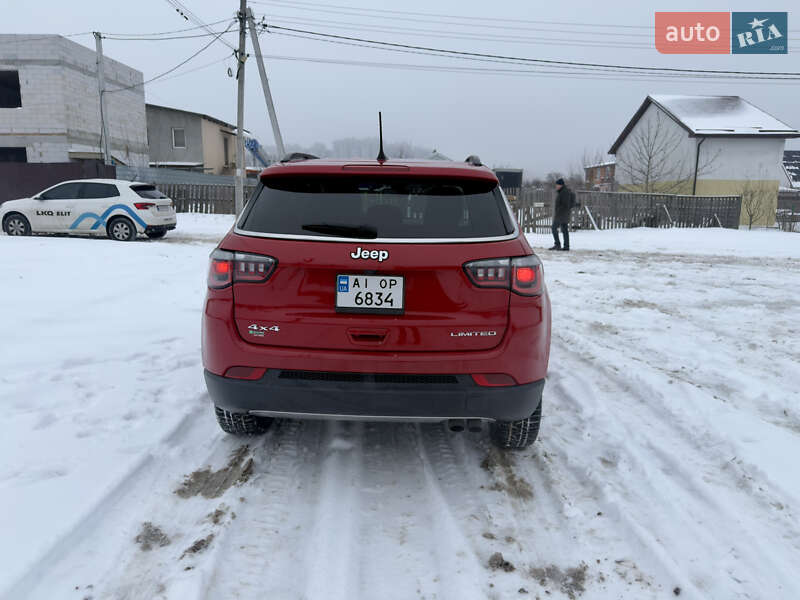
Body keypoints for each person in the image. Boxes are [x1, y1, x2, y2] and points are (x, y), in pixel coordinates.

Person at [550, 178, 573, 251]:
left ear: (561, 185)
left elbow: (565, 204)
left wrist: (559, 211)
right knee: (565, 230)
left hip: (561, 215)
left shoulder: (564, 192)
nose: (556, 186)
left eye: (557, 185)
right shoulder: (563, 191)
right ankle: (566, 246)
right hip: (564, 214)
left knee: (554, 228)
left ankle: (557, 244)